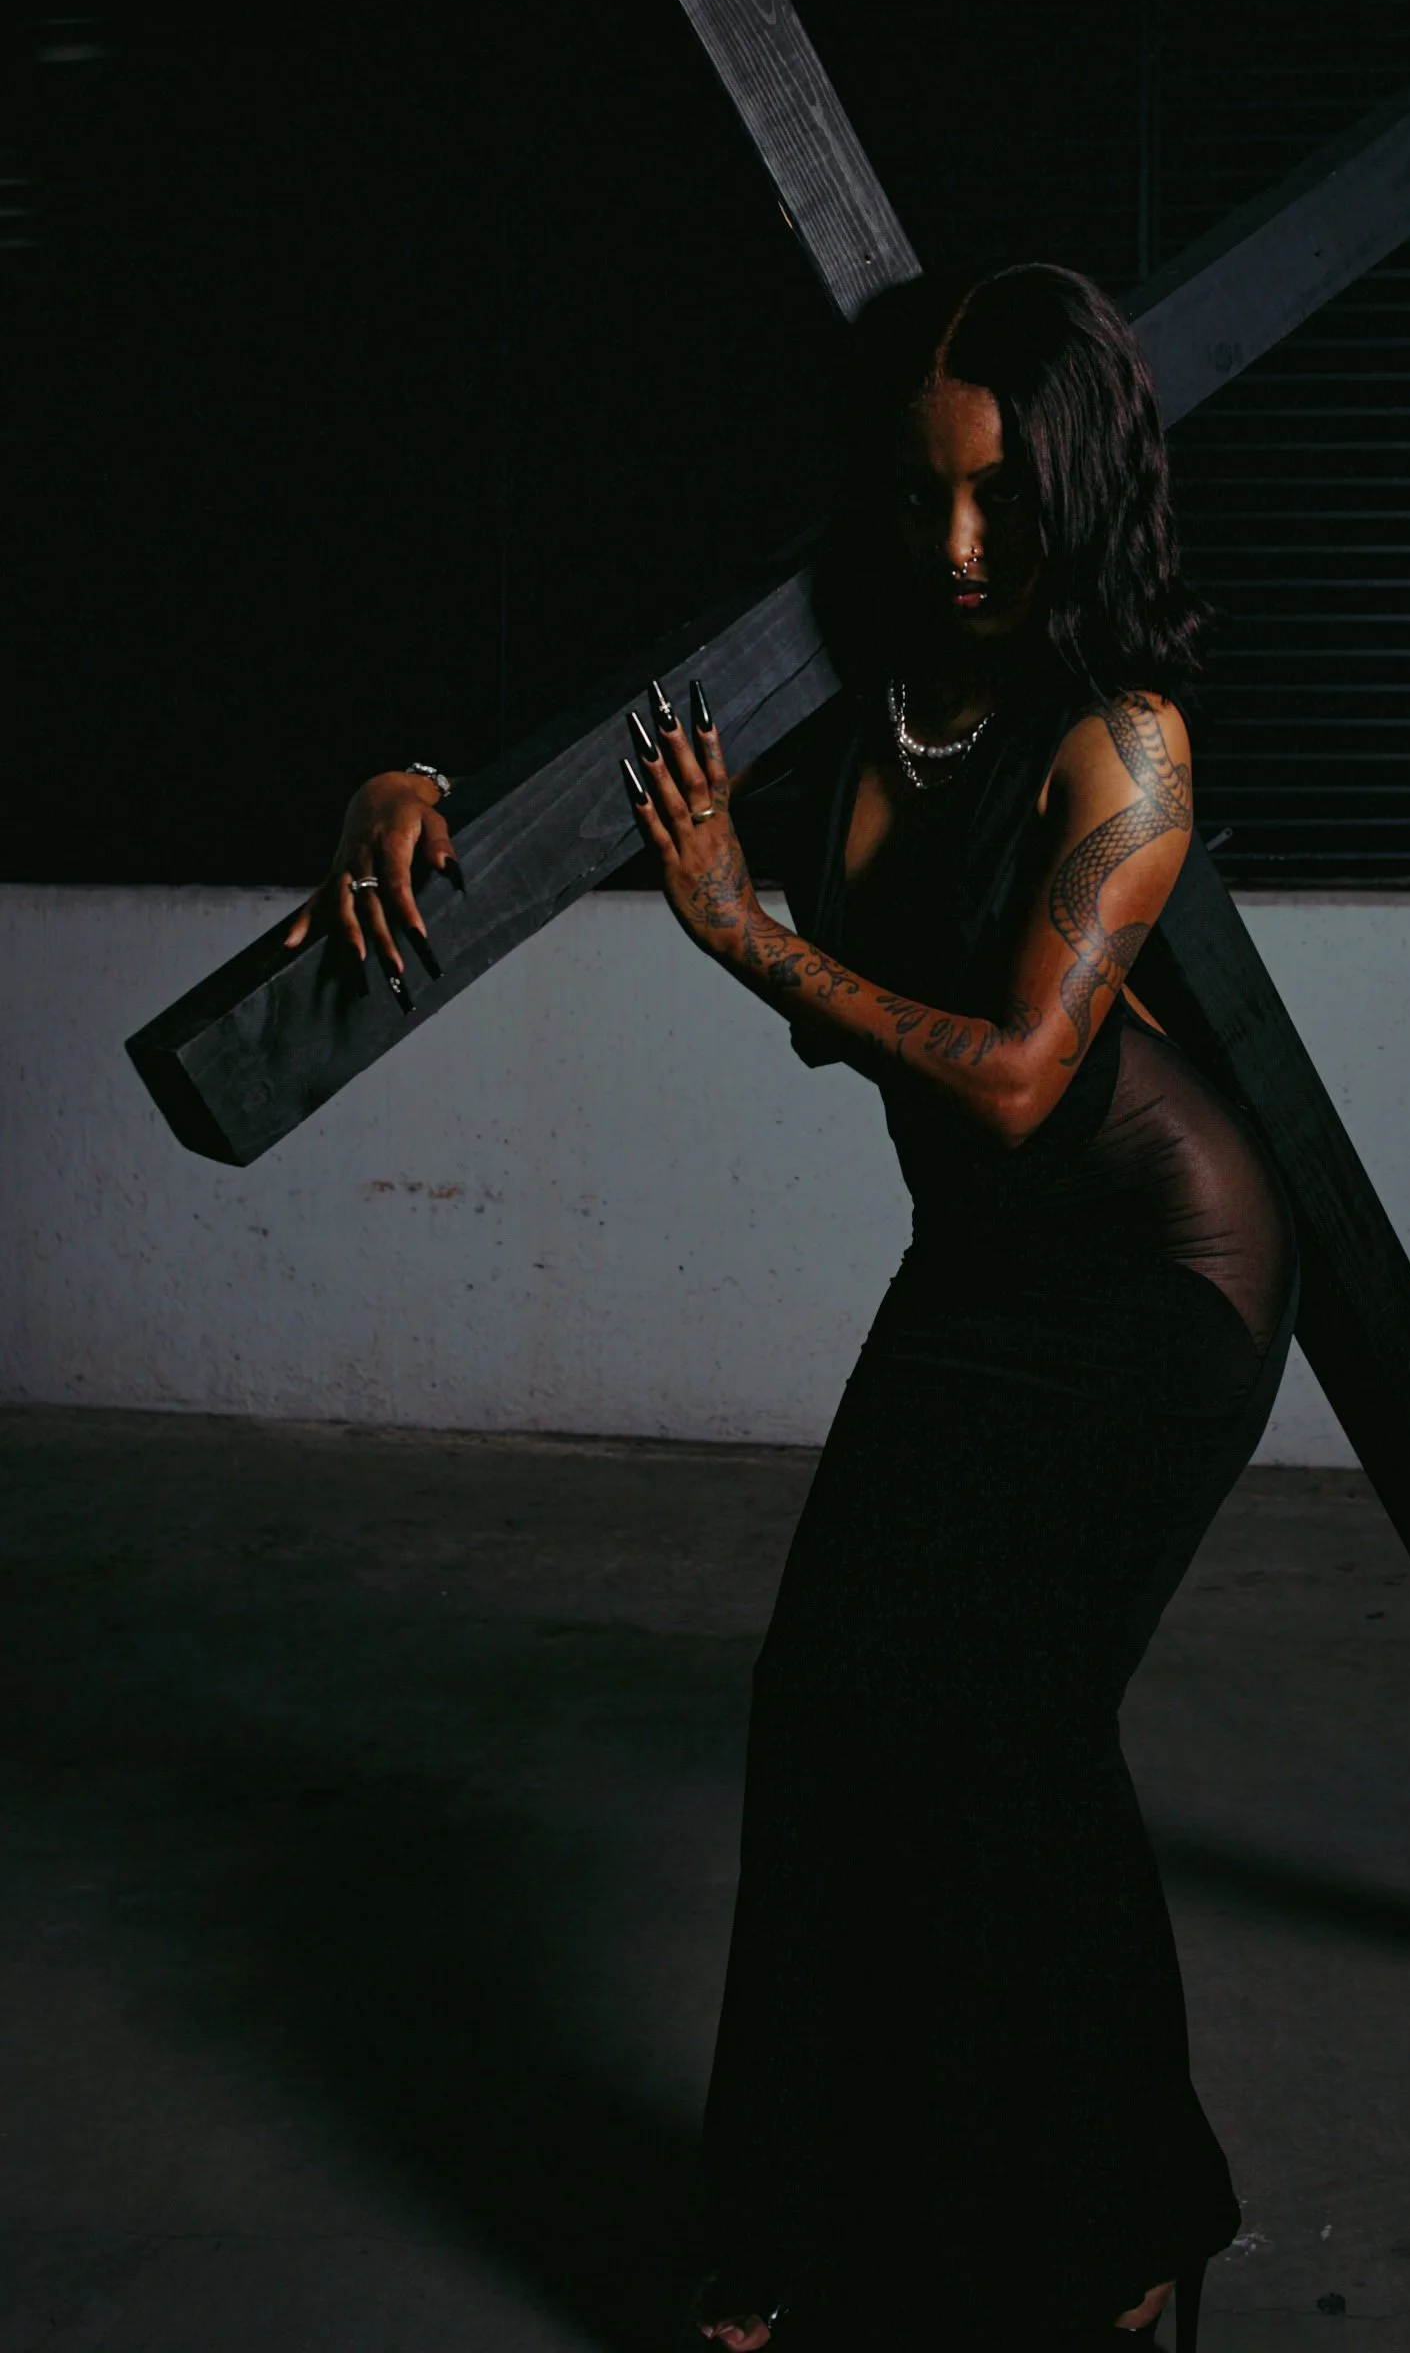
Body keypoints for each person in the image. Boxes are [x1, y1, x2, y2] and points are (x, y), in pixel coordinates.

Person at [290, 265, 1298, 2353]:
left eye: (1004, 506)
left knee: (1008, 1726)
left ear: (1085, 494)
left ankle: (1127, 2224)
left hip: (1160, 1285)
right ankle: (782, 2238)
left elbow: (1022, 1079)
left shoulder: (1124, 739)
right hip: (982, 1270)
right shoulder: (843, 677)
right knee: (829, 1707)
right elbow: (563, 718)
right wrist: (404, 775)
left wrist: (748, 940)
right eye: (926, 495)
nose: (955, 548)